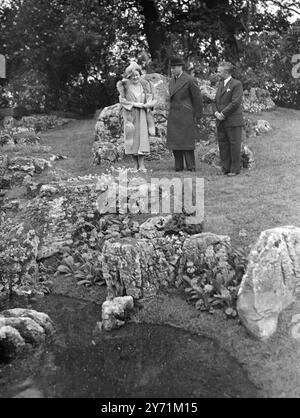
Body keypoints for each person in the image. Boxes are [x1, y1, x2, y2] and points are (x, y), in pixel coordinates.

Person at [116, 62, 157, 173]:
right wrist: (135, 104)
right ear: (129, 76)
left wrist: (148, 104)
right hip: (131, 115)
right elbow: (122, 100)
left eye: (137, 75)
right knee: (132, 139)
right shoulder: (125, 86)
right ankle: (135, 165)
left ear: (140, 74)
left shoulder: (144, 85)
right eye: (133, 75)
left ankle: (142, 165)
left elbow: (151, 97)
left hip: (143, 115)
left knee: (142, 138)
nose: (135, 77)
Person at [167, 56, 203, 172]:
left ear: (180, 67)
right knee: (175, 140)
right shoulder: (172, 81)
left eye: (174, 68)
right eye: (171, 68)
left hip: (186, 114)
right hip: (174, 114)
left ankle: (191, 166)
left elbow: (197, 99)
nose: (172, 70)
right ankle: (178, 166)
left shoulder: (190, 80)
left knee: (187, 141)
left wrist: (198, 115)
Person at [215, 61, 244, 176]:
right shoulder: (220, 84)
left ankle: (234, 169)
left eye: (219, 71)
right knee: (223, 144)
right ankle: (225, 168)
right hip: (221, 120)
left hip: (232, 120)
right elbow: (215, 101)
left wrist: (223, 113)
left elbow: (235, 103)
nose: (217, 73)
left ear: (226, 72)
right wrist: (216, 113)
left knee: (234, 145)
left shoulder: (237, 84)